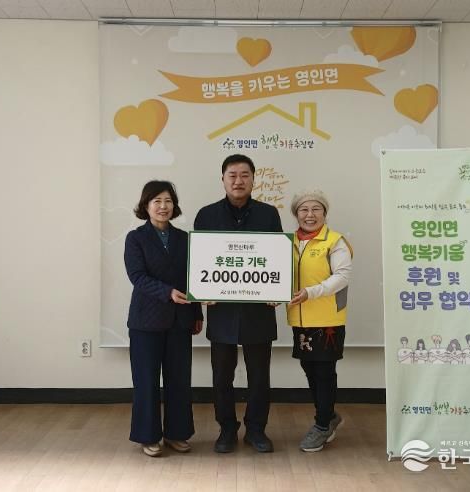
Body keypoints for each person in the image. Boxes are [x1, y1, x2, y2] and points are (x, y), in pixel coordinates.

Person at [194, 154, 282, 453]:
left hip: (259, 309)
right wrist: (201, 291)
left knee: (259, 376)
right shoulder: (206, 215)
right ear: (222, 179)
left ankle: (256, 430)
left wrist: (278, 290)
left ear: (254, 179)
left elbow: (276, 258)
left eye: (245, 175)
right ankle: (227, 429)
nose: (238, 181)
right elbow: (200, 261)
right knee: (222, 376)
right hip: (222, 310)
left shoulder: (268, 214)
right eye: (232, 175)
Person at [124, 180, 203, 457]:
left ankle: (176, 434)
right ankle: (148, 436)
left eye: (168, 200)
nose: (163, 206)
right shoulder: (135, 238)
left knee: (179, 380)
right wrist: (167, 292)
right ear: (146, 206)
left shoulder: (185, 239)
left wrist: (197, 313)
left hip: (181, 320)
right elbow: (137, 277)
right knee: (146, 381)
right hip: (146, 321)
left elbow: (195, 279)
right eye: (156, 201)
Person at [286, 189, 353, 452]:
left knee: (324, 372)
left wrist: (311, 292)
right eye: (304, 209)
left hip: (327, 320)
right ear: (296, 214)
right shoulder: (287, 241)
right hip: (300, 319)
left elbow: (342, 277)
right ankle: (328, 416)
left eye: (316, 209)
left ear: (325, 213)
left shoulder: (335, 241)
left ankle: (322, 425)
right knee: (310, 369)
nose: (310, 215)